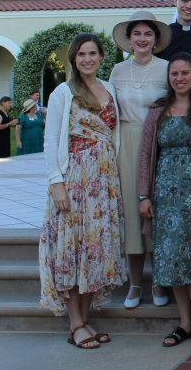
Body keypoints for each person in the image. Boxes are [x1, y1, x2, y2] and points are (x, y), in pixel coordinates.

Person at [40, 33, 126, 349]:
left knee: (95, 252)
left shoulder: (111, 89)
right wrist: (56, 183)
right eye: (81, 55)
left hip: (104, 183)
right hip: (74, 180)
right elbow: (51, 141)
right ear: (74, 60)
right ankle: (75, 324)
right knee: (74, 252)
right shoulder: (64, 92)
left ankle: (86, 320)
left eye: (92, 53)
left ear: (102, 56)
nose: (87, 59)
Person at [137, 53, 191, 348]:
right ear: (169, 77)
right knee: (172, 258)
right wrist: (144, 195)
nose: (179, 78)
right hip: (165, 196)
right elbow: (147, 154)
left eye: (185, 73)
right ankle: (184, 322)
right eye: (174, 74)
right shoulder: (158, 110)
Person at [109, 11, 172, 310]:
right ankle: (135, 283)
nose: (143, 39)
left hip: (159, 144)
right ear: (129, 39)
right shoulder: (117, 71)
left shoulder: (168, 68)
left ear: (156, 39)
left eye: (148, 34)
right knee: (132, 216)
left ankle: (160, 280)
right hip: (126, 145)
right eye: (137, 34)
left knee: (156, 212)